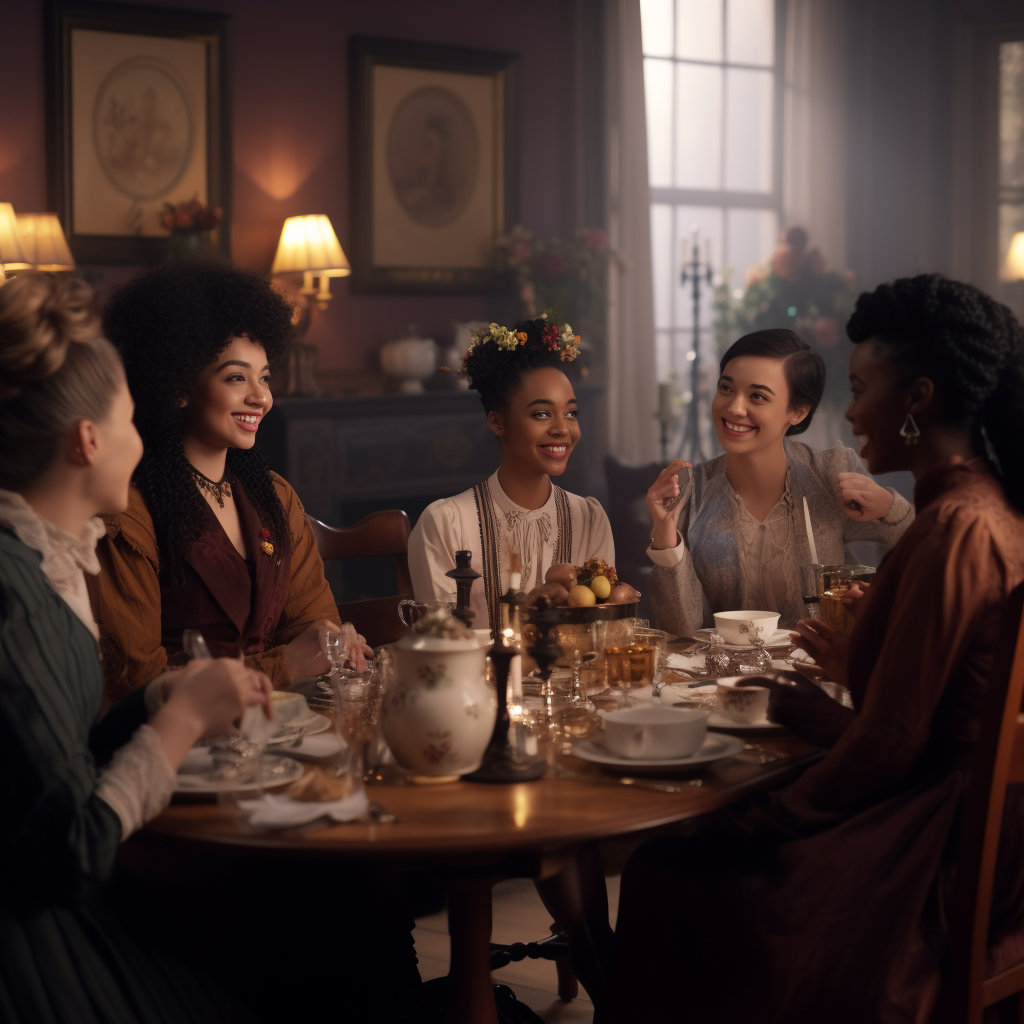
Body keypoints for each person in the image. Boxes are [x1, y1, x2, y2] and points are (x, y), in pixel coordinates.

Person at [599, 275, 1024, 1023]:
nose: (852, 411)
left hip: (947, 849)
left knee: (670, 870)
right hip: (973, 820)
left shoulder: (955, 528)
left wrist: (774, 816)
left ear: (918, 398)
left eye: (862, 388)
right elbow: (916, 712)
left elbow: (893, 741)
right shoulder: (986, 505)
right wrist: (833, 698)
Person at [0, 272, 274, 1022]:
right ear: (87, 440)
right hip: (36, 962)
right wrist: (181, 725)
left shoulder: (46, 563)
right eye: (128, 419)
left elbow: (59, 747)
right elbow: (72, 851)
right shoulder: (14, 596)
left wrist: (163, 699)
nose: (142, 438)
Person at [89, 261, 368, 702]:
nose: (260, 397)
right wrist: (287, 664)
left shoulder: (275, 495)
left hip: (284, 732)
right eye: (237, 377)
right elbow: (138, 683)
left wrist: (331, 640)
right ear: (178, 386)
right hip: (183, 749)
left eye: (265, 377)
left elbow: (315, 622)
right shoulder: (128, 512)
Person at [645, 328, 913, 635]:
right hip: (723, 680)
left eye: (757, 396)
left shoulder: (830, 475)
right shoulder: (690, 491)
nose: (734, 407)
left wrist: (891, 509)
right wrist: (667, 541)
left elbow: (932, 552)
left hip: (819, 675)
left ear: (798, 412)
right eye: (726, 388)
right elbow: (681, 630)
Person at [408, 314, 615, 630]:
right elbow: (444, 656)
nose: (563, 429)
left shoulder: (589, 519)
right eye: (542, 413)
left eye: (571, 413)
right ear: (496, 421)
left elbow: (601, 636)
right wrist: (523, 620)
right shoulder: (445, 525)